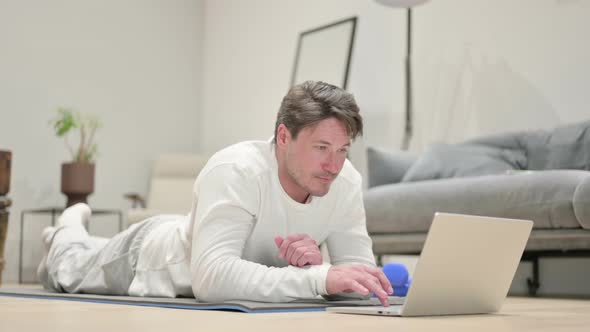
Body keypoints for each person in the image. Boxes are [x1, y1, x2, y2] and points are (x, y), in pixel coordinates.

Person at [38, 81, 393, 306]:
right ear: (284, 137)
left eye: (343, 150)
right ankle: (67, 230)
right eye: (321, 147)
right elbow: (211, 279)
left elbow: (359, 277)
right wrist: (318, 278)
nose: (334, 164)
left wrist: (323, 268)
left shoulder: (345, 181)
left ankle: (72, 235)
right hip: (149, 257)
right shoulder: (236, 170)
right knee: (67, 268)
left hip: (197, 232)